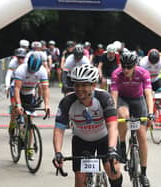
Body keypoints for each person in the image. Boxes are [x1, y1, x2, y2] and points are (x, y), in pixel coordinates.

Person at [53, 64, 123, 187]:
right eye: (76, 85)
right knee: (80, 180)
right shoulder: (67, 102)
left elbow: (112, 125)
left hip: (104, 138)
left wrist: (112, 149)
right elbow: (59, 130)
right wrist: (58, 152)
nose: (79, 89)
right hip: (81, 140)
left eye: (84, 85)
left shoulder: (104, 98)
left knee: (113, 170)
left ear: (93, 85)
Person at [111, 52, 154, 187]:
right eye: (124, 66)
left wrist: (151, 113)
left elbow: (148, 94)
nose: (125, 70)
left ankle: (144, 173)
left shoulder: (143, 73)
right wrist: (112, 112)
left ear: (135, 66)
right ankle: (122, 143)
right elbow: (114, 96)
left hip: (138, 100)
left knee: (141, 135)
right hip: (123, 99)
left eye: (129, 67)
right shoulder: (117, 74)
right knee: (123, 116)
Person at [14, 51, 50, 118]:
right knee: (15, 112)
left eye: (35, 71)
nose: (32, 72)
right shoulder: (21, 70)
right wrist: (18, 105)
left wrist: (46, 104)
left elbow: (45, 89)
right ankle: (12, 127)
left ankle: (29, 127)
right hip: (18, 90)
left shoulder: (43, 71)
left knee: (30, 116)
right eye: (30, 70)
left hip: (29, 91)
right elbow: (17, 89)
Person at [5, 48, 27, 135]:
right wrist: (7, 87)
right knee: (15, 107)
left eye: (22, 58)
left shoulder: (27, 62)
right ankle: (13, 122)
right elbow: (8, 75)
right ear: (16, 57)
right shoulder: (13, 62)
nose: (21, 60)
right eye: (19, 58)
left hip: (24, 84)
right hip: (14, 84)